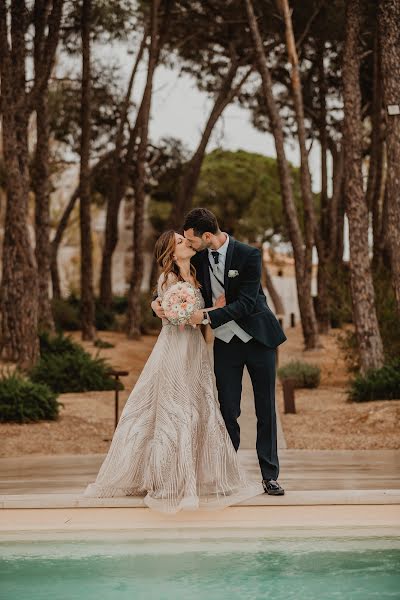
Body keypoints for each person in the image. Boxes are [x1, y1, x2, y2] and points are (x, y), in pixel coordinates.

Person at [84, 230, 262, 513]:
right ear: (170, 253)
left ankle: (200, 475)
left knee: (198, 407)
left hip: (195, 348)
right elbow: (163, 304)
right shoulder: (168, 280)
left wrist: (212, 309)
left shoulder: (196, 271)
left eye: (184, 238)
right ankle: (171, 479)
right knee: (174, 410)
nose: (186, 243)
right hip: (174, 348)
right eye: (180, 241)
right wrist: (159, 307)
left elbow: (200, 312)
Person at [152, 208, 287, 495]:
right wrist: (156, 302)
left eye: (192, 240)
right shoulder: (198, 256)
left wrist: (205, 317)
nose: (189, 244)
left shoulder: (249, 255)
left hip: (259, 339)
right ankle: (229, 471)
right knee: (228, 409)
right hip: (226, 343)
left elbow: (248, 303)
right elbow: (174, 277)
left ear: (208, 235)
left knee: (266, 409)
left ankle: (270, 475)